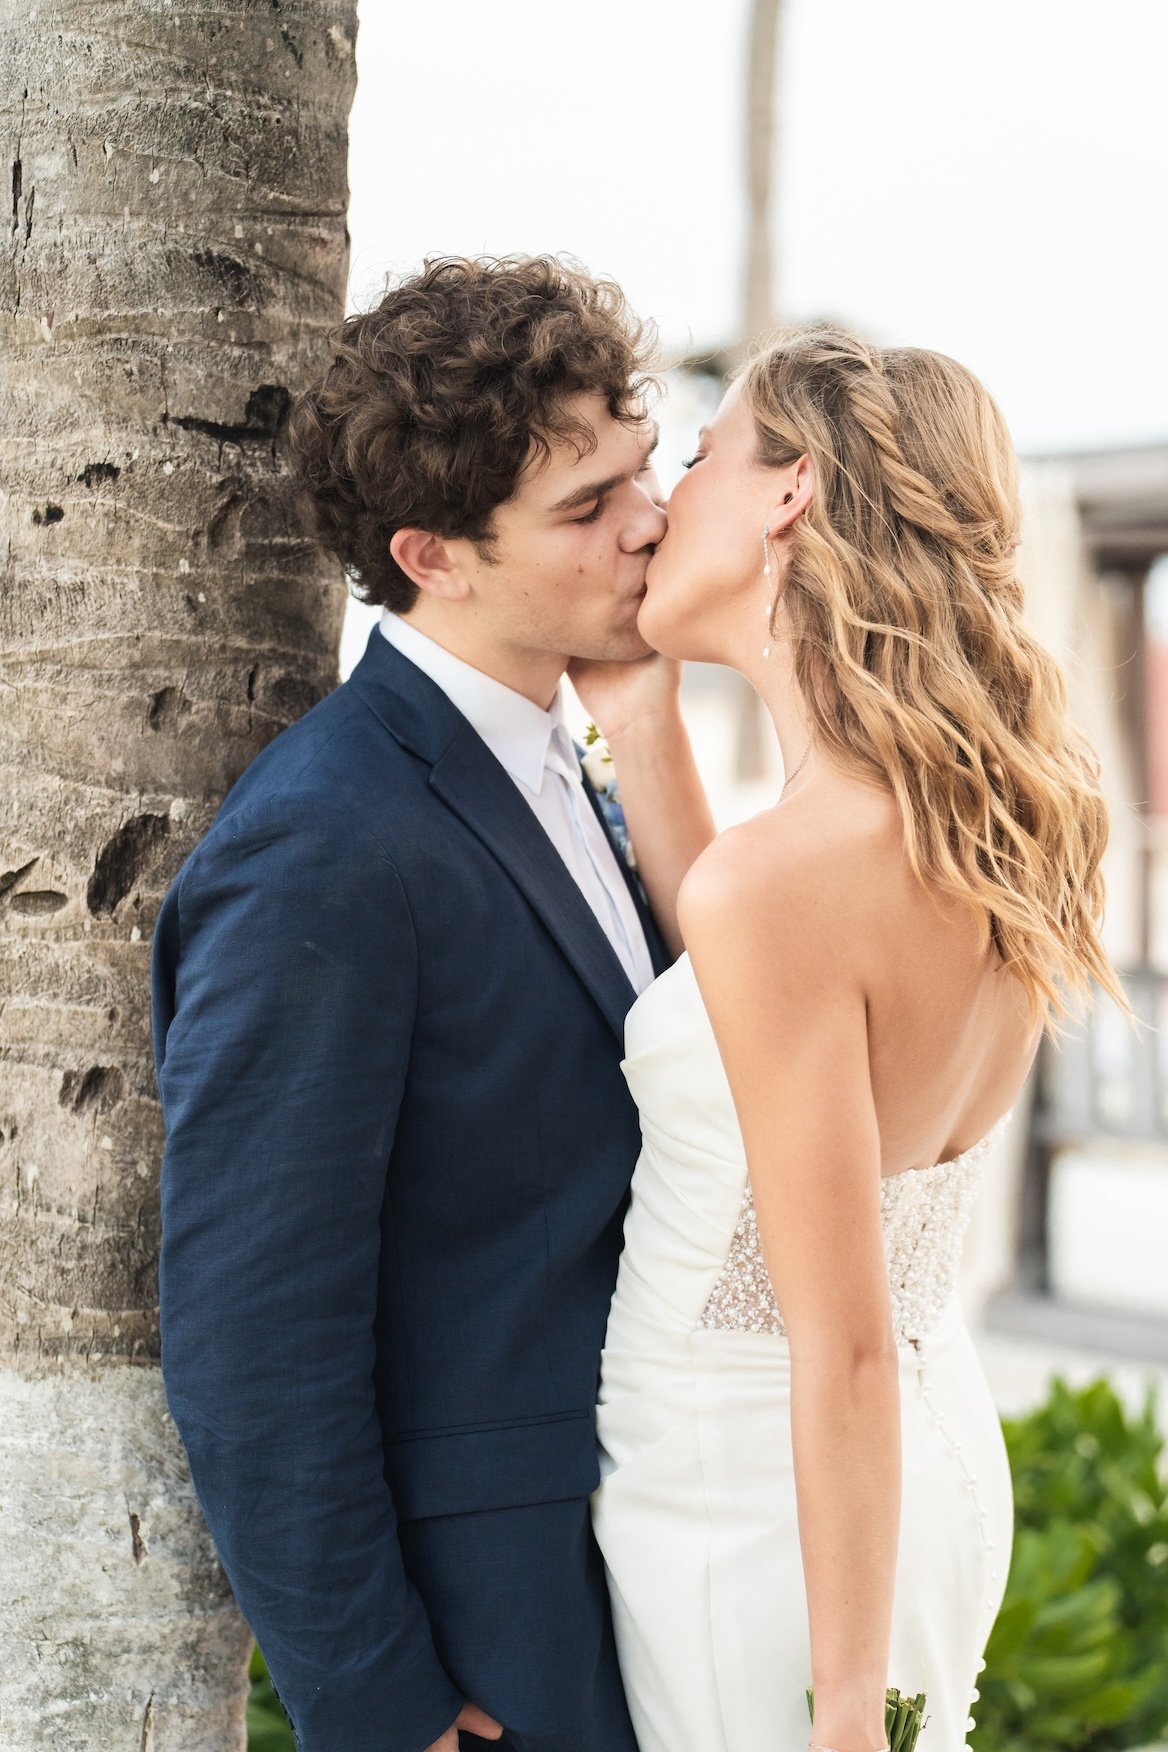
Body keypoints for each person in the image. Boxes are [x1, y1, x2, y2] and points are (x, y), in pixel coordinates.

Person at [151, 256, 708, 1752]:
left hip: (643, 1547)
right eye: (585, 508)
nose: (648, 519)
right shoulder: (324, 840)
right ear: (435, 554)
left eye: (641, 469)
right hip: (490, 1624)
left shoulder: (559, 766)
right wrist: (380, 1698)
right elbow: (251, 1334)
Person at [585, 326, 1126, 1752]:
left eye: (700, 457)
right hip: (913, 1474)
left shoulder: (787, 883)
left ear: (788, 494)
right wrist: (647, 729)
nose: (660, 504)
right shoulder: (982, 827)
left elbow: (838, 1349)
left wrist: (841, 1716)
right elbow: (772, 1016)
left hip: (767, 1510)